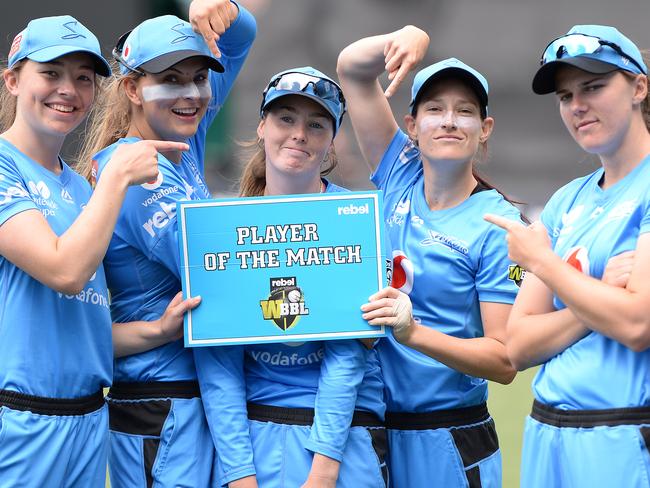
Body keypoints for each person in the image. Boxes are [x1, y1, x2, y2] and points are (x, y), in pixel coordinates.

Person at [76, 1, 256, 486]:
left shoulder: (179, 143)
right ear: (132, 88)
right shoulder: (135, 167)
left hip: (190, 396)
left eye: (200, 79)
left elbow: (243, 34)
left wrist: (220, 8)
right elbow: (215, 264)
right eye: (173, 79)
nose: (194, 93)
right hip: (160, 405)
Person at [0, 15, 183, 487]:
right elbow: (65, 271)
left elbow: (88, 326)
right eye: (51, 72)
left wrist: (159, 330)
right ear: (13, 79)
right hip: (23, 420)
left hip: (88, 420)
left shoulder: (81, 189)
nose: (69, 89)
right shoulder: (5, 165)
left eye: (84, 78)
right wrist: (119, 176)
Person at [338, 26, 523, 487]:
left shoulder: (498, 225)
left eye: (464, 112)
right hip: (370, 433)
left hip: (447, 437)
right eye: (435, 110)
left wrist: (412, 333)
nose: (448, 122)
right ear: (411, 125)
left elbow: (504, 361)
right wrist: (406, 36)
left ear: (485, 129)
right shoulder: (399, 173)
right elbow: (351, 70)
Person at [194, 66, 388, 488]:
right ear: (262, 126)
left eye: (316, 124)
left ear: (332, 139)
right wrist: (240, 475)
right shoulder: (223, 226)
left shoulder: (353, 219)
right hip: (251, 439)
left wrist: (323, 471)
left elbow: (347, 354)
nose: (299, 134)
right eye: (286, 119)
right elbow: (218, 365)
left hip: (341, 443)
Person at [484, 24, 650, 487]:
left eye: (594, 87)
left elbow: (638, 325)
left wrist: (546, 266)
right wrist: (597, 296)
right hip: (547, 435)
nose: (577, 106)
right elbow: (517, 345)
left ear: (639, 87)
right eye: (565, 95)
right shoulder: (566, 202)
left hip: (623, 437)